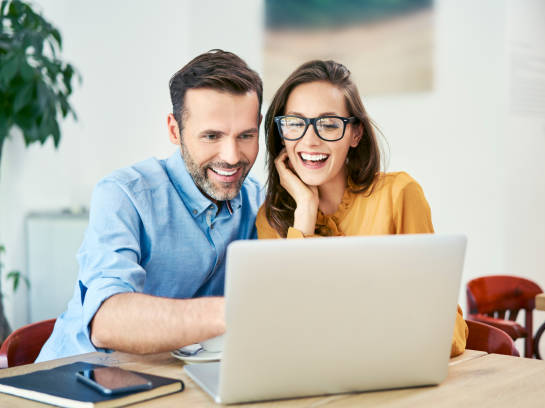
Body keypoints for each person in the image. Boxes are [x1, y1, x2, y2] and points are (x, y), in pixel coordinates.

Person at [37, 50, 264, 361]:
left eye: (246, 135)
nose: (232, 156)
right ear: (174, 130)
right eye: (211, 136)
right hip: (79, 375)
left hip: (174, 377)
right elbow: (107, 321)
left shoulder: (256, 200)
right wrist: (239, 310)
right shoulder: (123, 194)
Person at [255, 60, 468, 356]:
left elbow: (448, 330)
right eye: (295, 123)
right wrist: (305, 210)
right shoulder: (272, 219)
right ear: (281, 134)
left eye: (329, 124)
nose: (310, 139)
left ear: (355, 134)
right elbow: (289, 328)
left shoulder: (399, 195)